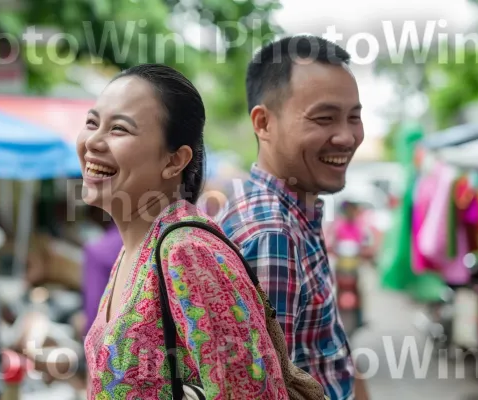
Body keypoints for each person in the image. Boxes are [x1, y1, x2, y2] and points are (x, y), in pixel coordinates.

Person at [79, 63, 293, 399]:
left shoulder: (187, 252)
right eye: (92, 123)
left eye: (118, 129)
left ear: (174, 161)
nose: (93, 141)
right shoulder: (134, 250)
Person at [219, 35, 369, 400]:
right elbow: (268, 391)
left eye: (354, 117)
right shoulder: (272, 233)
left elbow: (318, 354)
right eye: (324, 118)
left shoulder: (290, 213)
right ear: (263, 123)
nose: (346, 136)